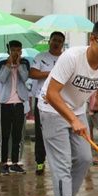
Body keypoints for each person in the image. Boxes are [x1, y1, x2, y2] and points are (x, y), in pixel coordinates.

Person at [38, 19, 98, 196]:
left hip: (77, 111)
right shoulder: (72, 58)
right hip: (51, 109)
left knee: (84, 158)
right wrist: (72, 120)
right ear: (93, 39)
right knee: (62, 162)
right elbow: (51, 93)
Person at [28, 30, 65, 175]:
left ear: (62, 44)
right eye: (54, 40)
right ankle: (40, 162)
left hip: (61, 101)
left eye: (59, 41)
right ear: (49, 41)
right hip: (42, 100)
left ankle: (59, 162)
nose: (56, 43)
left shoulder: (65, 58)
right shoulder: (40, 56)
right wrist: (51, 73)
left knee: (60, 132)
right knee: (41, 132)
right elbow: (32, 73)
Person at [0, 40, 31, 175]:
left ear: (21, 51)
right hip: (6, 102)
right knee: (5, 134)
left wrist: (18, 65)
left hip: (20, 102)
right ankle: (4, 162)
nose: (16, 53)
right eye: (13, 50)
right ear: (9, 51)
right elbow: (2, 79)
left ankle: (16, 162)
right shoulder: (1, 63)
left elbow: (25, 77)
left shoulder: (25, 63)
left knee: (17, 134)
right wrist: (8, 64)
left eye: (18, 50)